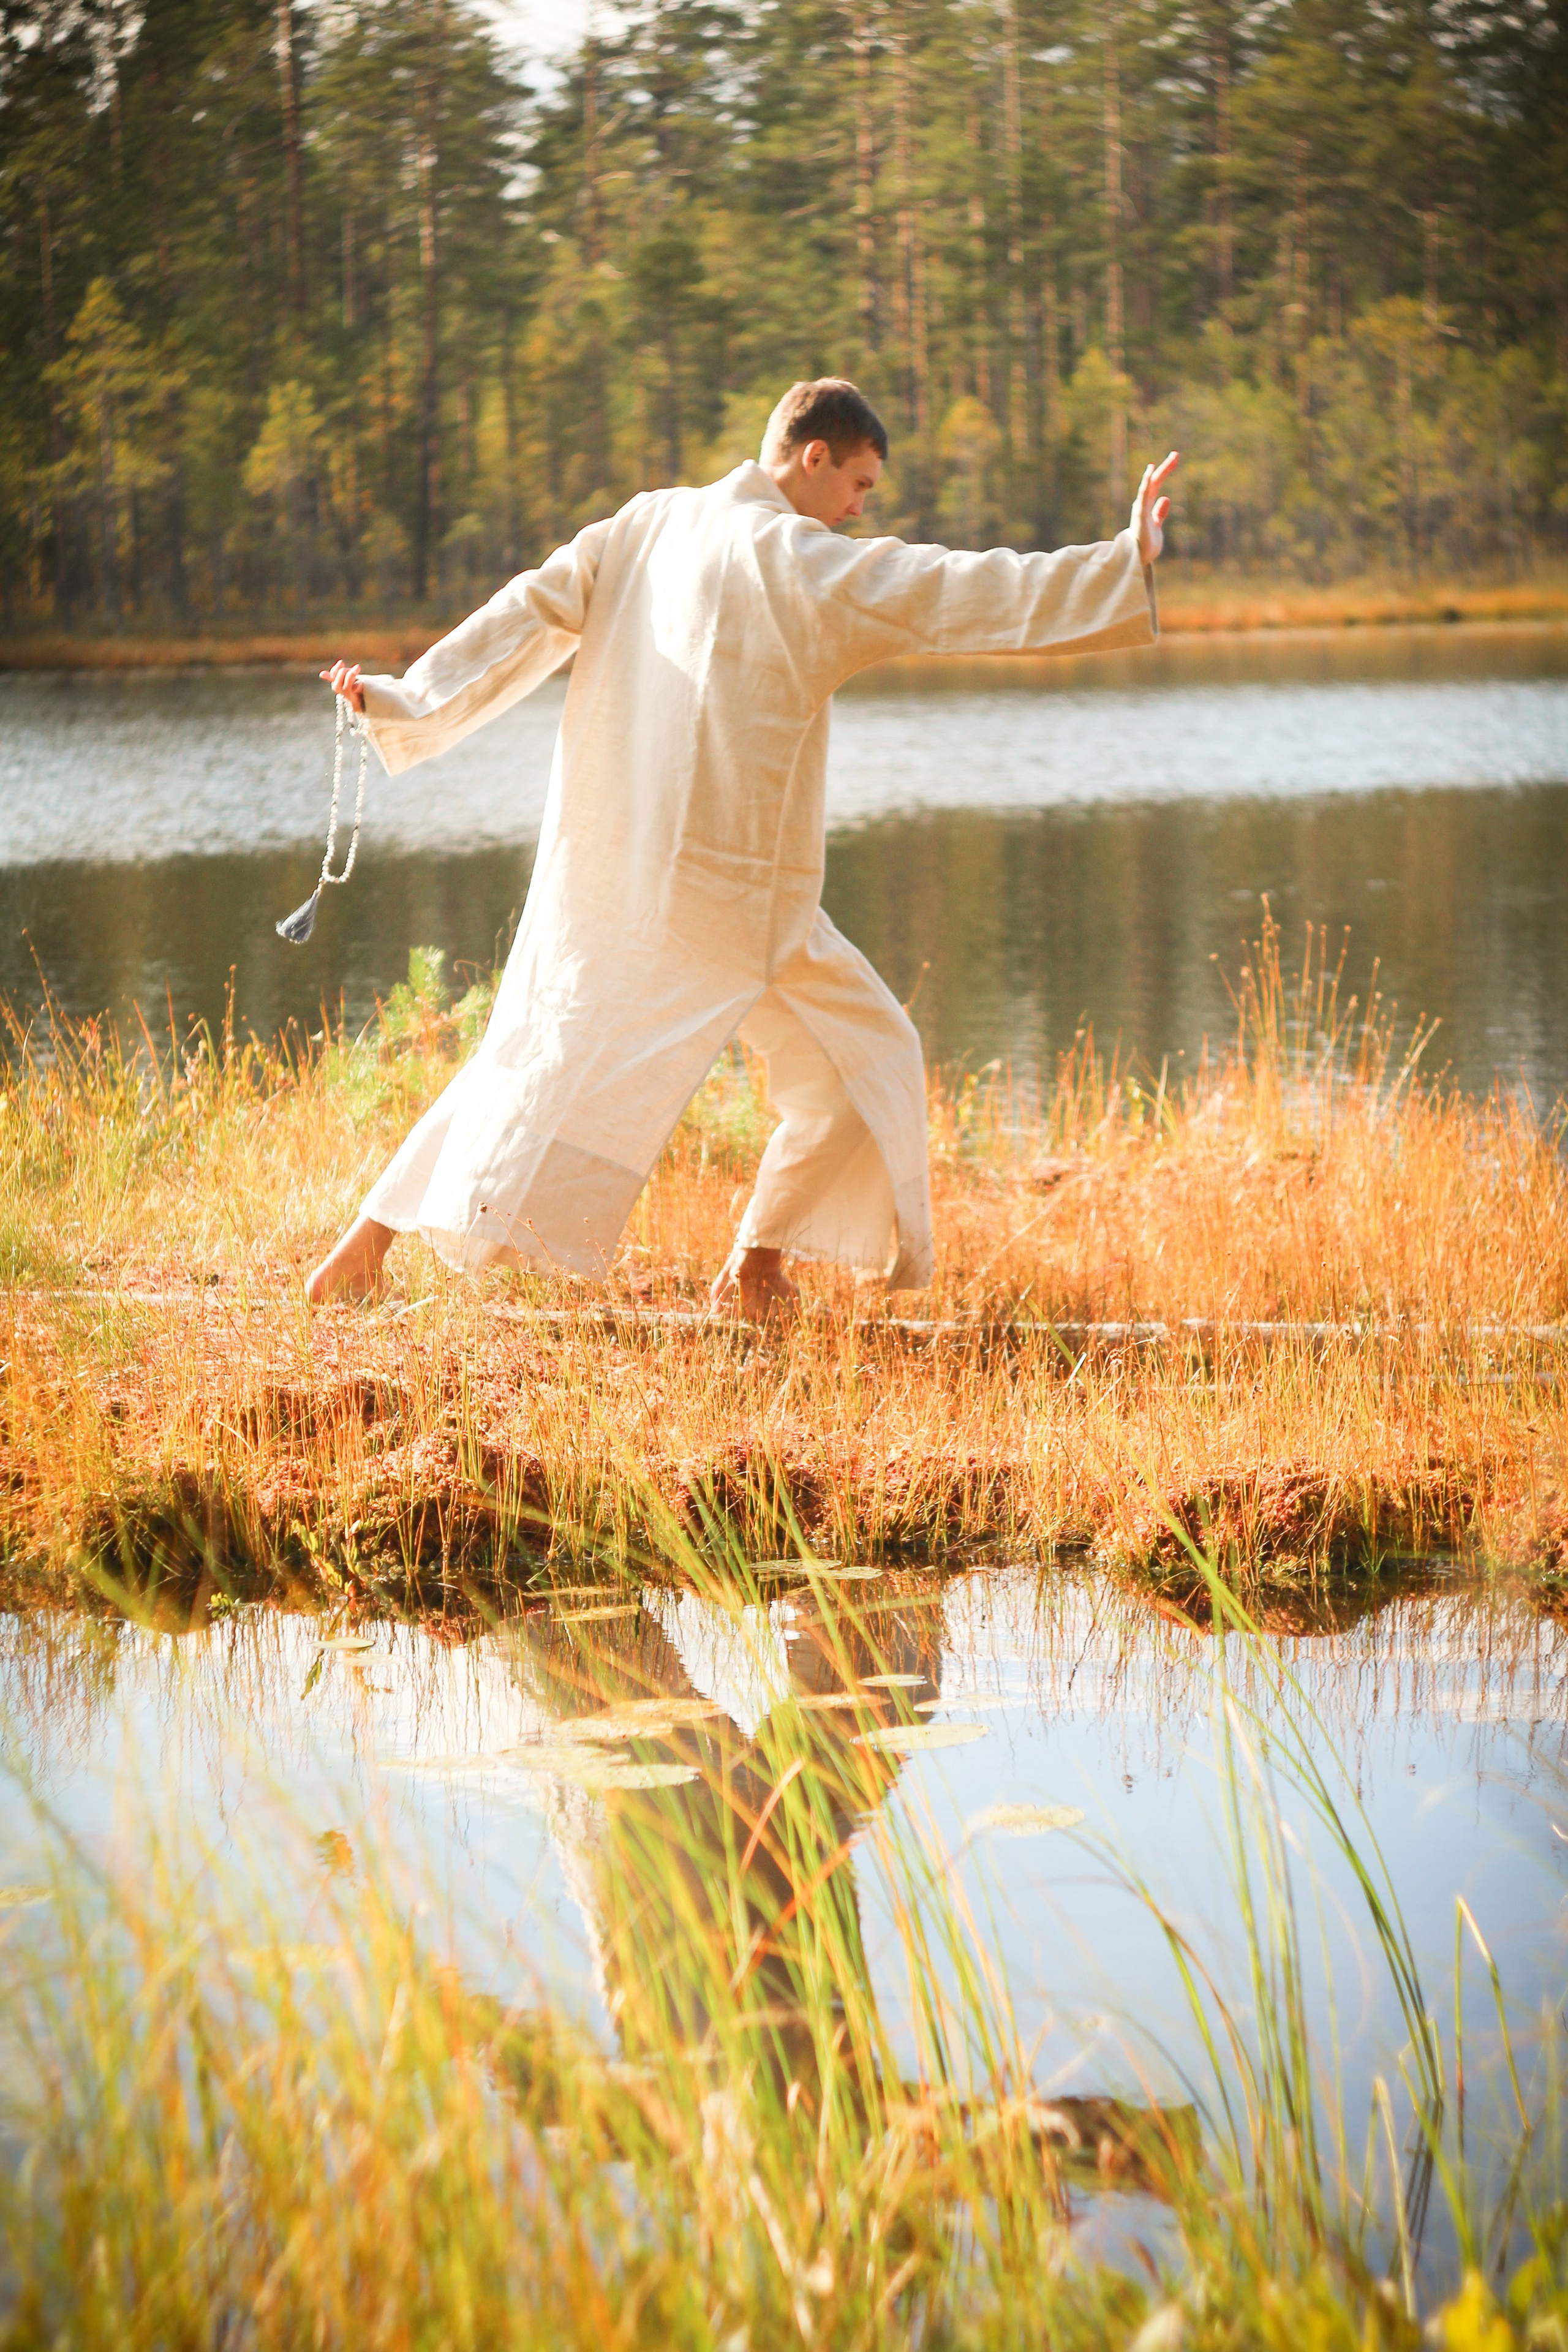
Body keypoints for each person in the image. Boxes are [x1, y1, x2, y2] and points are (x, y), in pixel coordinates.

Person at [308, 379, 1177, 1314]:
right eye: (859, 485)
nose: (859, 509)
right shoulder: (800, 562)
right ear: (814, 457)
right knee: (552, 1059)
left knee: (851, 1052)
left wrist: (405, 697)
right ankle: (369, 1251)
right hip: (721, 902)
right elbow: (955, 590)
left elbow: (525, 616)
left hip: (712, 897)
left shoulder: (646, 523)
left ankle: (752, 1271)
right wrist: (1122, 564)